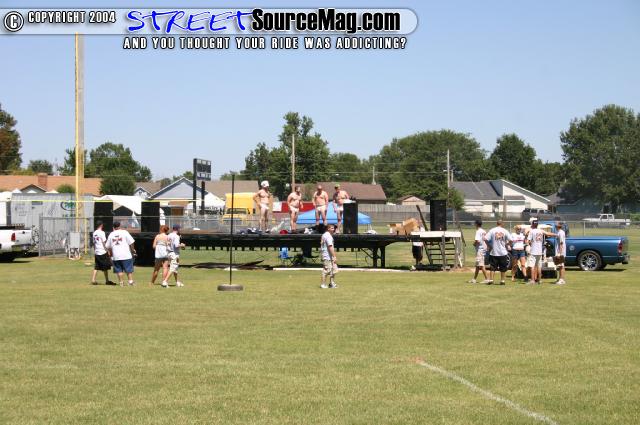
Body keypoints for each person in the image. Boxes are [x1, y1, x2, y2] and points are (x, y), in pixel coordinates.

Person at [105, 221, 136, 287]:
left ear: (113, 227)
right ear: (120, 226)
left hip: (116, 256)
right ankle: (130, 282)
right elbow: (131, 242)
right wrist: (132, 250)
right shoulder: (125, 232)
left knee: (119, 270)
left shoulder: (111, 234)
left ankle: (121, 282)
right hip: (126, 255)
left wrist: (110, 254)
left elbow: (107, 246)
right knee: (128, 269)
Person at [484, 219, 512, 285]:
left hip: (494, 252)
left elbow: (485, 239)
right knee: (503, 267)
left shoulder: (492, 230)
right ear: (502, 224)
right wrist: (507, 244)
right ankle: (502, 280)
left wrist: (489, 246)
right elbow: (511, 240)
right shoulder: (505, 231)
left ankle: (491, 280)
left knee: (492, 267)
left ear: (497, 223)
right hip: (503, 252)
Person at [90, 221, 114, 285]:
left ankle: (93, 279)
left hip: (97, 252)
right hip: (102, 251)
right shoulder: (102, 232)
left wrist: (95, 250)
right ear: (101, 225)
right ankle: (107, 281)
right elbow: (104, 242)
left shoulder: (94, 233)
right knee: (105, 266)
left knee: (97, 266)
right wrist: (107, 250)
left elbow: (94, 243)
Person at [469, 219, 490, 284]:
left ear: (476, 224)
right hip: (483, 249)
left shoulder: (478, 231)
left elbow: (477, 241)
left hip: (480, 250)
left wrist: (474, 244)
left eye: (475, 223)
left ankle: (487, 279)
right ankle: (474, 279)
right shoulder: (484, 231)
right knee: (478, 265)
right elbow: (486, 239)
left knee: (481, 265)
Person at [320, 224, 338, 289]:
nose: (334, 229)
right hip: (327, 256)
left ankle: (331, 284)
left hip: (326, 255)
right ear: (328, 229)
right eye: (332, 228)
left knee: (334, 270)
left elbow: (321, 243)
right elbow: (330, 247)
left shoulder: (324, 235)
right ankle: (323, 284)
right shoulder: (328, 236)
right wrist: (334, 256)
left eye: (334, 228)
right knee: (326, 270)